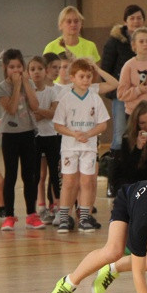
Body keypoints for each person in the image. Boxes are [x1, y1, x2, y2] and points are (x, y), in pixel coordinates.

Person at [52, 58, 110, 232]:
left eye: (88, 76)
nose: (86, 80)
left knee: (87, 181)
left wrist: (88, 134)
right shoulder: (66, 99)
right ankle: (64, 218)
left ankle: (84, 218)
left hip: (89, 147)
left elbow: (103, 124)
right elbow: (58, 125)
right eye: (82, 76)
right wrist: (74, 134)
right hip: (70, 147)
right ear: (72, 78)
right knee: (69, 182)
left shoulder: (95, 98)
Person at [0, 49, 45, 230]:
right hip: (10, 134)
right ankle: (9, 215)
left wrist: (25, 84)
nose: (16, 70)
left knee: (29, 175)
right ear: (5, 68)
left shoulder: (28, 83)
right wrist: (16, 86)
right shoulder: (1, 87)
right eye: (12, 67)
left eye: (19, 66)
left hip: (28, 132)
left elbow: (35, 106)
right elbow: (12, 108)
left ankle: (32, 214)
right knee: (11, 174)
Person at [101, 5, 147, 156]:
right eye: (132, 18)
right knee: (121, 133)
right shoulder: (114, 42)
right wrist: (120, 89)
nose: (136, 21)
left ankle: (144, 163)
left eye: (139, 18)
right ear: (125, 21)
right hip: (123, 96)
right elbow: (105, 70)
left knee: (146, 132)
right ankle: (117, 164)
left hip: (144, 95)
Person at [28, 56, 60, 224]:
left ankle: (57, 206)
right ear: (28, 72)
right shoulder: (27, 93)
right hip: (34, 137)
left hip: (51, 136)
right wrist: (44, 112)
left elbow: (54, 113)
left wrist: (37, 111)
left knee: (55, 173)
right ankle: (39, 208)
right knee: (38, 175)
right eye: (32, 69)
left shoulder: (51, 91)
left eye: (40, 68)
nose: (36, 72)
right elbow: (29, 116)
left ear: (45, 71)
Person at [43, 6, 100, 80]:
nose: (73, 24)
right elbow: (45, 73)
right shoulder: (51, 47)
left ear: (81, 24)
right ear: (60, 25)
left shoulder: (90, 46)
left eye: (76, 21)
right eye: (69, 22)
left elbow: (96, 73)